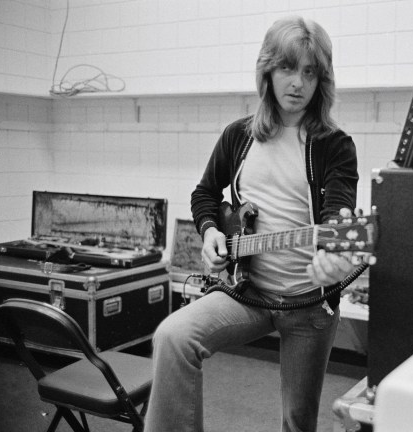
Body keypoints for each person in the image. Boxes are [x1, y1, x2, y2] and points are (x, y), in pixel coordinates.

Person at [144, 16, 359, 432]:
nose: (298, 82)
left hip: (307, 302)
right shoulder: (239, 136)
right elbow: (204, 194)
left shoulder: (335, 146)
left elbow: (338, 216)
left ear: (321, 81)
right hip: (249, 293)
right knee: (173, 336)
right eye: (287, 68)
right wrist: (209, 232)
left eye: (310, 72)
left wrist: (334, 254)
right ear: (267, 71)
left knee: (298, 421)